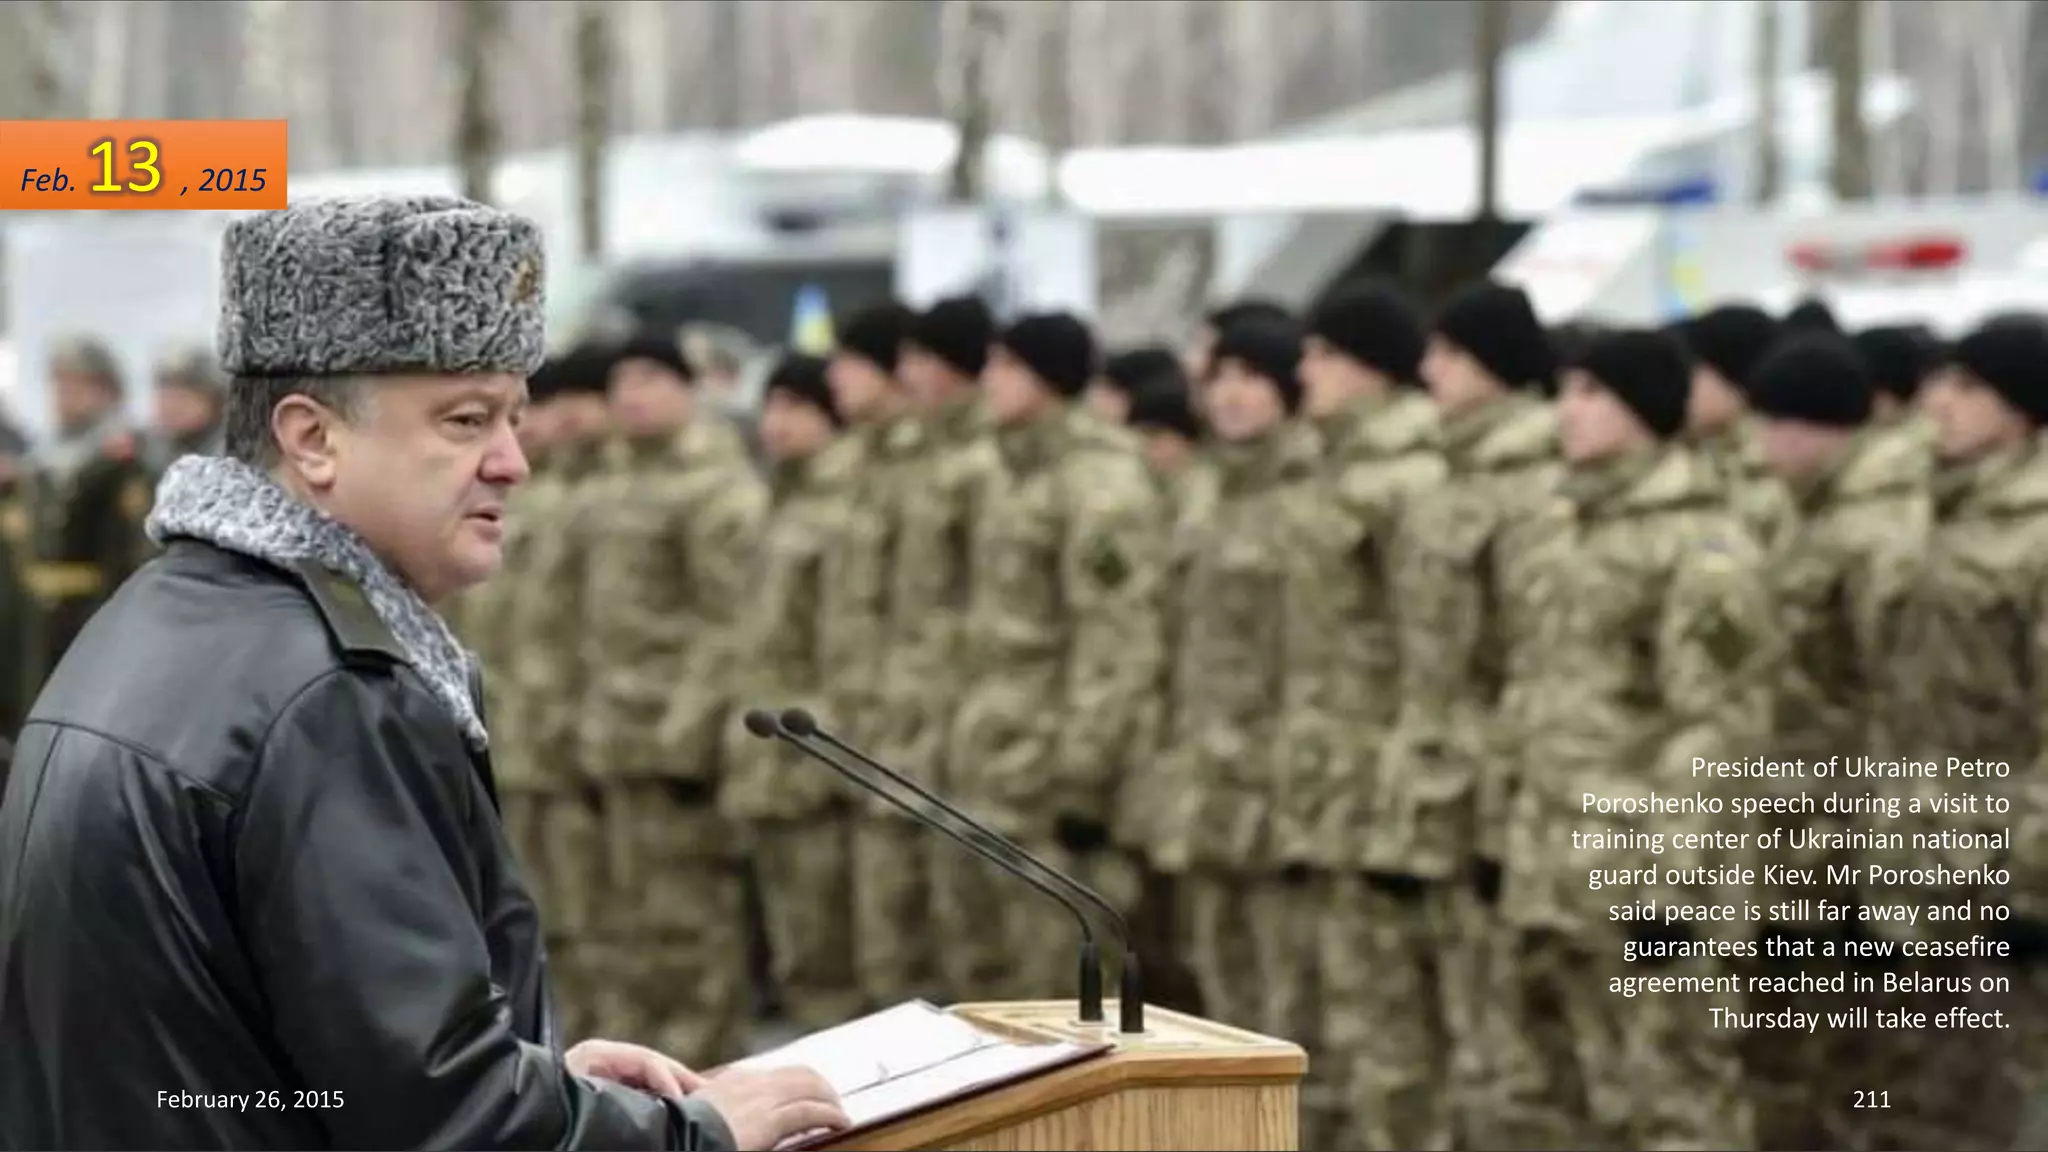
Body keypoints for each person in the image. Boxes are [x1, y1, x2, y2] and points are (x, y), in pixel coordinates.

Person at [0, 194, 845, 1151]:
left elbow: (262, 1071)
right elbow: (440, 1122)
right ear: (312, 438)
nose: (512, 461)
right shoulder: (329, 690)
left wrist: (538, 1079)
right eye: (464, 419)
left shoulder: (158, 619)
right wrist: (689, 1134)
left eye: (514, 417)